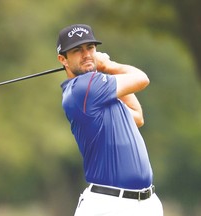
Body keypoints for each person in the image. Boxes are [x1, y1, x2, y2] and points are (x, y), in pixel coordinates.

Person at [56, 24, 163, 216]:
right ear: (63, 59)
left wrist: (103, 71)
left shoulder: (97, 91)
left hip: (145, 204)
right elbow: (141, 78)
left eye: (90, 47)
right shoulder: (83, 88)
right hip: (109, 205)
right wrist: (108, 65)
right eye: (77, 50)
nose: (87, 54)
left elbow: (137, 116)